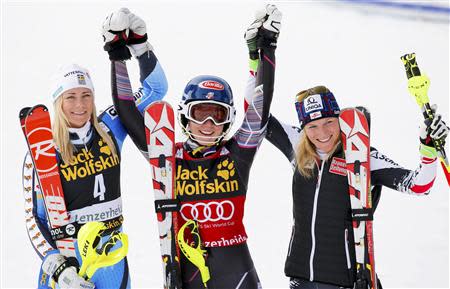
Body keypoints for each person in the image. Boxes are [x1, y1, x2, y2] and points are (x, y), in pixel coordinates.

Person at [107, 5, 282, 288]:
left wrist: (267, 48)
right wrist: (118, 53)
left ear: (228, 119)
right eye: (201, 113)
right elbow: (127, 111)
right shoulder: (167, 156)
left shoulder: (237, 155)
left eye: (219, 114)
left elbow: (259, 111)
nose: (209, 123)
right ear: (186, 114)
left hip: (237, 274)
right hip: (186, 275)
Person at [21, 8, 167, 289]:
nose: (80, 105)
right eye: (70, 97)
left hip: (111, 258)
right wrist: (57, 265)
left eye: (86, 95)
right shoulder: (42, 147)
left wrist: (140, 45)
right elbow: (34, 218)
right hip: (67, 263)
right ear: (57, 102)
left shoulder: (110, 126)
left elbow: (155, 90)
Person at [264, 85, 449, 289]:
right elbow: (257, 114)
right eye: (312, 126)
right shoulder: (297, 145)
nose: (322, 132)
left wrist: (427, 145)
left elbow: (419, 185)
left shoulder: (361, 156)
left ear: (340, 120)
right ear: (304, 128)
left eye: (329, 122)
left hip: (348, 280)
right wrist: (260, 60)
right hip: (300, 279)